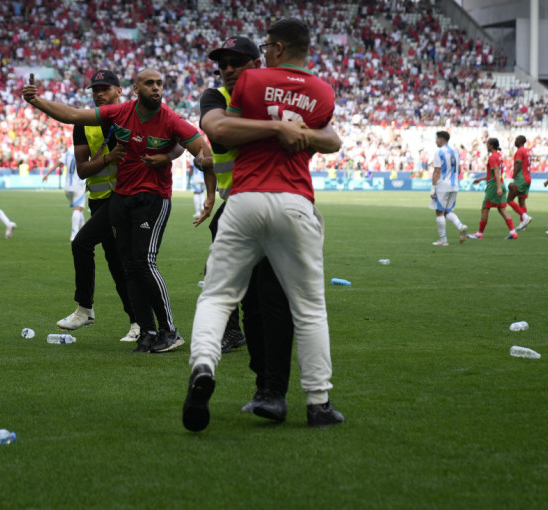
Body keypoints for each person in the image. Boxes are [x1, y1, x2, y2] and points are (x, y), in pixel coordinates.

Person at [182, 18, 345, 432]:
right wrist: (290, 128)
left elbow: (221, 130)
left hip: (245, 198)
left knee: (217, 296)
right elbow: (332, 139)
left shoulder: (250, 83)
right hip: (295, 200)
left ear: (271, 48)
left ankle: (203, 364)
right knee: (308, 309)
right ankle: (318, 403)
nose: (229, 69)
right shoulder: (323, 91)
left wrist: (283, 127)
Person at [22, 68, 217, 353]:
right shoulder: (120, 113)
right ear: (136, 89)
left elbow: (204, 152)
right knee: (128, 266)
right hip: (120, 199)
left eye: (159, 84)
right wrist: (37, 102)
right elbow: (73, 115)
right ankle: (146, 331)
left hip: (152, 199)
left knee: (143, 263)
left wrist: (210, 196)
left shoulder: (171, 120)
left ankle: (170, 331)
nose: (156, 88)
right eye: (149, 83)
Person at [199, 35, 298, 421]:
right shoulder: (215, 97)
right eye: (223, 63)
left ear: (258, 64)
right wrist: (276, 128)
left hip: (281, 204)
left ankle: (283, 391)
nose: (227, 69)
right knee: (252, 305)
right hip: (236, 207)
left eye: (237, 61)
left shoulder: (283, 94)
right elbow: (220, 135)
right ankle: (264, 386)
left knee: (276, 302)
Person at [54, 70, 183, 343]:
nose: (99, 94)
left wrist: (166, 156)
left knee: (119, 261)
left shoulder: (130, 117)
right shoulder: (86, 124)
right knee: (121, 262)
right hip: (101, 202)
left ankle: (105, 313)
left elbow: (177, 139)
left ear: (120, 91)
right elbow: (82, 171)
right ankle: (137, 323)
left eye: (105, 89)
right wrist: (108, 158)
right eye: (95, 90)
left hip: (128, 199)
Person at [468, 138, 518, 240]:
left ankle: (479, 234)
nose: (486, 146)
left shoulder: (492, 157)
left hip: (494, 185)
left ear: (491, 145)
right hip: (501, 183)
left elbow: (496, 173)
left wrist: (498, 188)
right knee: (502, 209)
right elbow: (493, 173)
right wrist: (480, 179)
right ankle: (513, 232)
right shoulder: (499, 156)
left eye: (487, 144)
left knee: (485, 208)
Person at [429, 131, 468, 246]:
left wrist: (432, 188)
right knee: (447, 211)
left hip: (442, 186)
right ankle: (460, 226)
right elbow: (459, 170)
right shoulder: (456, 152)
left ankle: (443, 240)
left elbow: (436, 171)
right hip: (454, 186)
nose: (436, 141)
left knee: (439, 212)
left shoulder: (439, 152)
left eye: (437, 139)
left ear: (441, 139)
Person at [42, 146, 86, 241]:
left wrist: (47, 174)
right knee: (78, 209)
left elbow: (58, 163)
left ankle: (84, 231)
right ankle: (74, 234)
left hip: (67, 187)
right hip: (77, 185)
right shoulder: (83, 152)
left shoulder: (67, 154)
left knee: (79, 209)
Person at [507, 135, 533, 231]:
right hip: (527, 178)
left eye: (516, 140)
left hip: (520, 179)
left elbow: (518, 165)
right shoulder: (527, 151)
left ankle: (525, 217)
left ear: (520, 141)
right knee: (522, 202)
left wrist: (512, 179)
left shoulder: (520, 151)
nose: (515, 141)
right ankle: (523, 225)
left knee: (509, 200)